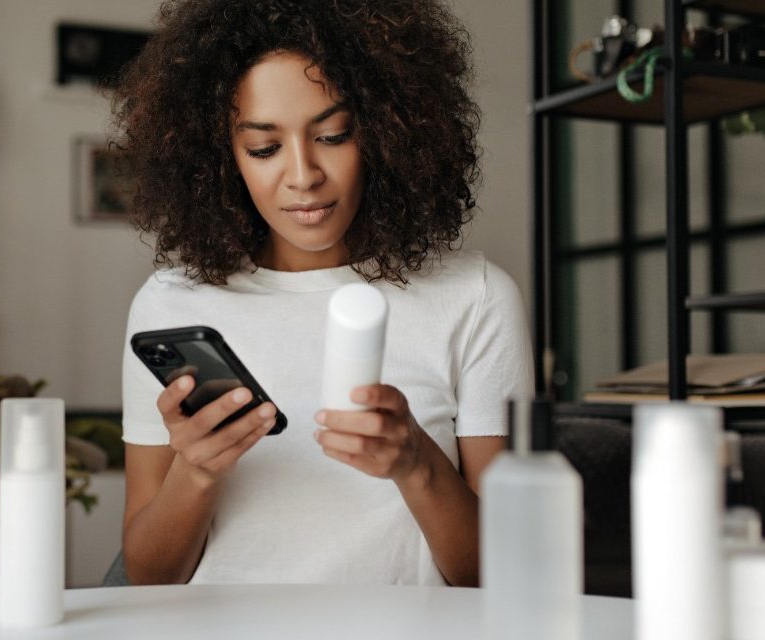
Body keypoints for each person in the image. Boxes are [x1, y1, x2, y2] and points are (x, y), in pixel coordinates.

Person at [111, 0, 533, 587]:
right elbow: (149, 580)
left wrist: (417, 465)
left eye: (333, 135)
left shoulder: (475, 297)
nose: (303, 174)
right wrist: (197, 472)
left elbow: (507, 575)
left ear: (388, 130)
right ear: (221, 158)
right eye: (264, 148)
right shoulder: (171, 305)